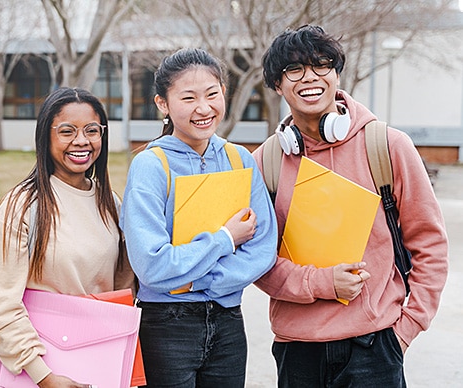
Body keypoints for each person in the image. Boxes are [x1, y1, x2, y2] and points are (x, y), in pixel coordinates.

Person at [252, 25, 449, 387]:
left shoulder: (387, 146)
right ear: (278, 85)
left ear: (336, 74)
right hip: (297, 351)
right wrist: (323, 282)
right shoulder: (266, 161)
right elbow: (257, 262)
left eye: (321, 65)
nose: (310, 77)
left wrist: (405, 330)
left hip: (376, 346)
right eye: (294, 70)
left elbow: (430, 246)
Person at [119, 48, 278, 387]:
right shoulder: (150, 166)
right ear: (163, 103)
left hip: (228, 323)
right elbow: (150, 265)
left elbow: (263, 248)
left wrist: (194, 282)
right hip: (166, 325)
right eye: (188, 97)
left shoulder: (240, 160)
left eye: (212, 93)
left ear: (224, 91)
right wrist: (224, 239)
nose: (203, 108)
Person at [0, 87, 135, 387]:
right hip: (39, 371)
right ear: (45, 136)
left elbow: (122, 290)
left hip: (99, 363)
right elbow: (0, 304)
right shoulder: (22, 206)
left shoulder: (111, 204)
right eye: (67, 131)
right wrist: (43, 376)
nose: (81, 141)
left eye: (92, 130)